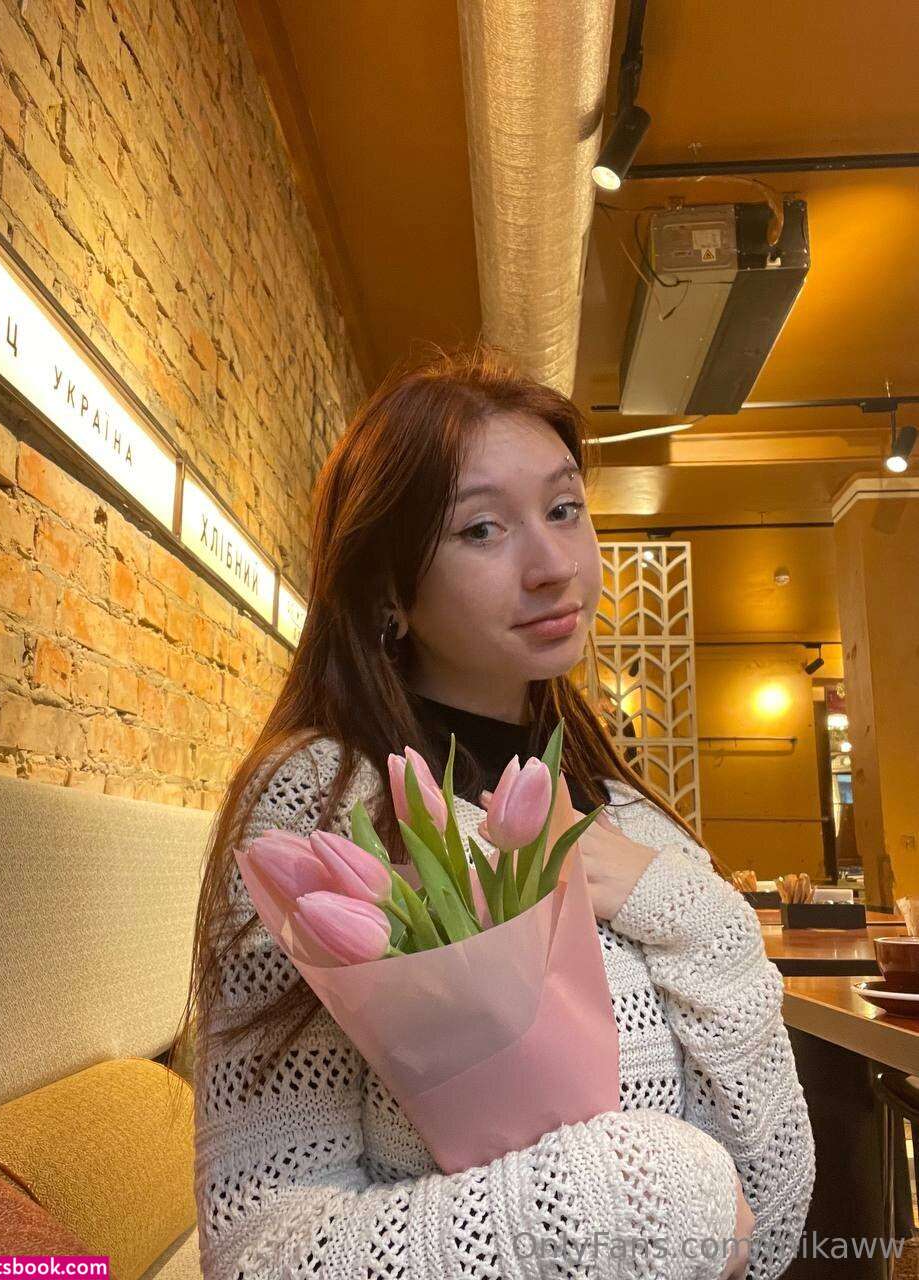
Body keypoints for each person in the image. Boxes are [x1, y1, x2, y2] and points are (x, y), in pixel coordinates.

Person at [171, 341, 815, 1280]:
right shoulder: (326, 806)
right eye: (480, 530)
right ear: (389, 589)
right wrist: (641, 1202)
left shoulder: (633, 818)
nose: (553, 565)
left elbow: (770, 1220)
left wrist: (697, 914)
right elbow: (260, 1248)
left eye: (563, 509)